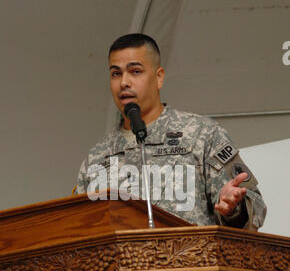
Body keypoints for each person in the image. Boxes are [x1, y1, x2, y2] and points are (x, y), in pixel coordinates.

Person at [75, 33, 267, 230]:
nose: (124, 82)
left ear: (159, 77)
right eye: (116, 73)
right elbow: (76, 227)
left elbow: (255, 207)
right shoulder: (97, 157)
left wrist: (234, 209)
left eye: (135, 71)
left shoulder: (201, 134)